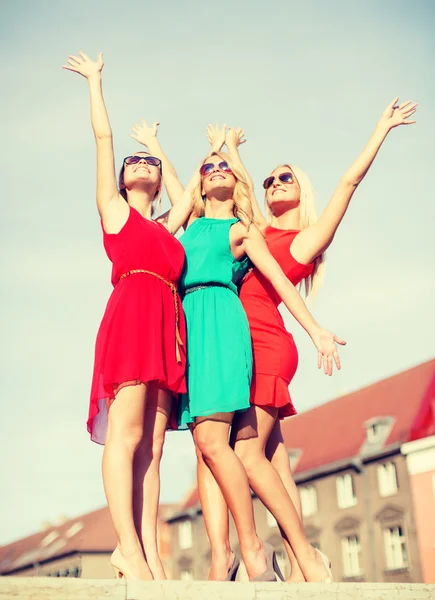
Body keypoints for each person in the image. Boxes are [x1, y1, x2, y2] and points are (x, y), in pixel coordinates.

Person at [203, 98, 418, 582]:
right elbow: (236, 194)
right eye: (269, 179)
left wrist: (380, 129)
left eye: (286, 178)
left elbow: (348, 182)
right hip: (242, 342)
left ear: (302, 190)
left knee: (245, 452)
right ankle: (308, 562)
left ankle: (296, 558)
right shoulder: (256, 229)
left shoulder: (306, 239)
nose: (274, 184)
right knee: (275, 460)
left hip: (265, 344)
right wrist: (227, 151)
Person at [130, 122, 344, 581]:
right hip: (189, 332)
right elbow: (177, 186)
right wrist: (157, 148)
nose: (215, 171)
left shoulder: (242, 231)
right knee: (210, 450)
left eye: (224, 168)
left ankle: (255, 550)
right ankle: (229, 555)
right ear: (200, 183)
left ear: (235, 184)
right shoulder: (186, 229)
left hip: (224, 328)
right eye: (208, 169)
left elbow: (283, 283)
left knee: (216, 442)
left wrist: (316, 330)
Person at [62, 51, 199, 581]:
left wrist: (161, 146)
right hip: (131, 320)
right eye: (134, 163)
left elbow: (187, 197)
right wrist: (96, 83)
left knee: (156, 444)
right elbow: (104, 141)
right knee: (126, 435)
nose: (142, 164)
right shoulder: (115, 213)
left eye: (151, 165)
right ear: (121, 182)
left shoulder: (168, 228)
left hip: (166, 324)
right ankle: (127, 546)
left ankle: (150, 553)